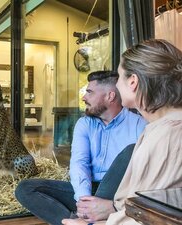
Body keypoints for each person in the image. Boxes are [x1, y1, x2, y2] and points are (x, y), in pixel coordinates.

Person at [62, 39, 182, 225]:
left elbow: (149, 216)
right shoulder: (160, 129)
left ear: (133, 82)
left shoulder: (166, 136)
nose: (116, 86)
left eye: (119, 78)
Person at [15, 71, 147, 225]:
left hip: (118, 195)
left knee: (128, 153)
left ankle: (86, 219)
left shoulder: (140, 125)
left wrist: (108, 204)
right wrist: (83, 200)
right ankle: (79, 221)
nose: (84, 97)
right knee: (26, 189)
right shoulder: (84, 124)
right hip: (89, 189)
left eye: (89, 92)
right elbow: (79, 163)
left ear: (110, 96)